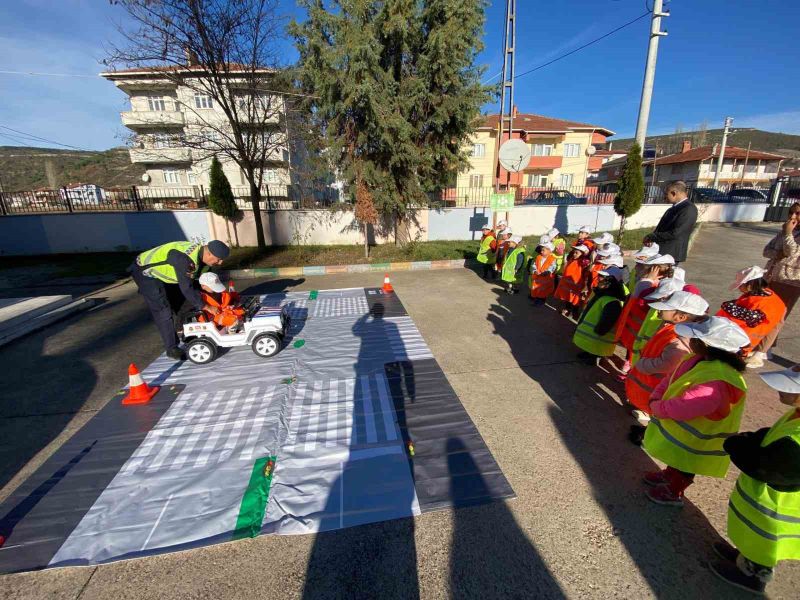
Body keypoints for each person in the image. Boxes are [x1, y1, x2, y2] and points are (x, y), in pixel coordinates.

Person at [710, 365, 800, 594]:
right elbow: (776, 433)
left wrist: (736, 445)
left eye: (788, 388)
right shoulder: (797, 414)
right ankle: (745, 555)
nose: (780, 391)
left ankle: (752, 575)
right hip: (764, 499)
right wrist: (756, 437)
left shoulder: (797, 442)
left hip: (774, 509)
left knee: (762, 541)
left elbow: (763, 466)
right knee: (751, 534)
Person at [642, 316, 750, 506]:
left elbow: (688, 405)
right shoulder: (696, 359)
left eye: (695, 338)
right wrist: (656, 396)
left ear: (707, 346)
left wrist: (659, 407)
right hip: (681, 430)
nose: (690, 340)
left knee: (686, 465)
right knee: (677, 458)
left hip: (695, 440)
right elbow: (672, 378)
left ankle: (674, 492)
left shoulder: (717, 380)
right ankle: (670, 474)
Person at [625, 291, 709, 445]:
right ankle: (648, 430)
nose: (660, 310)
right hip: (657, 386)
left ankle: (648, 438)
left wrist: (641, 364)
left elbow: (666, 364)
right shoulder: (675, 330)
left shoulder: (678, 342)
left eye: (665, 308)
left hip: (659, 387)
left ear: (681, 317)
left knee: (659, 414)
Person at [131, 239, 230, 360]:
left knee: (183, 300)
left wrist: (219, 297)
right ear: (209, 254)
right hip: (145, 273)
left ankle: (187, 330)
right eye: (218, 259)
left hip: (167, 273)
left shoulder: (200, 257)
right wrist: (207, 307)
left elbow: (203, 283)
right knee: (163, 310)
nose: (219, 263)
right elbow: (187, 289)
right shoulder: (184, 260)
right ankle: (172, 348)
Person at [755, 204, 800, 366]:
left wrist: (788, 234)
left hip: (790, 280)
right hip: (772, 276)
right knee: (765, 311)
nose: (793, 216)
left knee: (778, 316)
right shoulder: (785, 230)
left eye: (798, 213)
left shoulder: (788, 231)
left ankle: (761, 351)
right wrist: (778, 252)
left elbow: (792, 253)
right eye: (791, 212)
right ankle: (767, 347)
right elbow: (767, 251)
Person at [616, 254, 676, 375]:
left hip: (639, 328)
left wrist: (647, 279)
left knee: (636, 350)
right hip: (641, 327)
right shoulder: (665, 286)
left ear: (655, 270)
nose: (642, 269)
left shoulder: (646, 284)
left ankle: (630, 366)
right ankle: (630, 364)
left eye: (646, 267)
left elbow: (639, 296)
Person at [716, 266, 787, 364]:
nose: (740, 289)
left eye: (741, 285)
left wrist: (728, 306)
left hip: (741, 343)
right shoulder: (769, 295)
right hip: (747, 341)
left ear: (750, 285)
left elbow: (752, 318)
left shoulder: (762, 302)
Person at [573, 266, 627, 366]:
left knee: (595, 346)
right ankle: (589, 353)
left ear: (611, 282)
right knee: (591, 345)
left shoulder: (612, 301)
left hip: (599, 336)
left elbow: (608, 321)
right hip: (593, 336)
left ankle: (594, 357)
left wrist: (600, 330)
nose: (599, 279)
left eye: (602, 277)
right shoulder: (601, 294)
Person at [643, 181, 698, 264]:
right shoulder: (674, 208)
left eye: (666, 194)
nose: (665, 197)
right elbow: (662, 227)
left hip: (671, 254)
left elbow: (676, 233)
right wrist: (652, 239)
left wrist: (653, 236)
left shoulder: (688, 209)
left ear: (674, 193)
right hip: (662, 251)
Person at [555, 244, 590, 318]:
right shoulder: (572, 259)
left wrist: (585, 285)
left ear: (582, 254)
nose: (574, 254)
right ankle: (567, 309)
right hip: (569, 285)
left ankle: (574, 313)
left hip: (577, 286)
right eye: (574, 252)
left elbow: (586, 275)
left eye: (577, 253)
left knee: (575, 301)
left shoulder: (583, 263)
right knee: (568, 298)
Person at [529, 241, 557, 305]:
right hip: (538, 278)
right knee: (536, 289)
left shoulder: (552, 259)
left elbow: (553, 267)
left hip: (545, 280)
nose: (541, 252)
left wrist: (547, 272)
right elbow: (534, 265)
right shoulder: (538, 257)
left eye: (543, 250)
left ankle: (541, 301)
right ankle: (536, 299)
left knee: (543, 291)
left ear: (549, 251)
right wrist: (535, 270)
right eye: (541, 250)